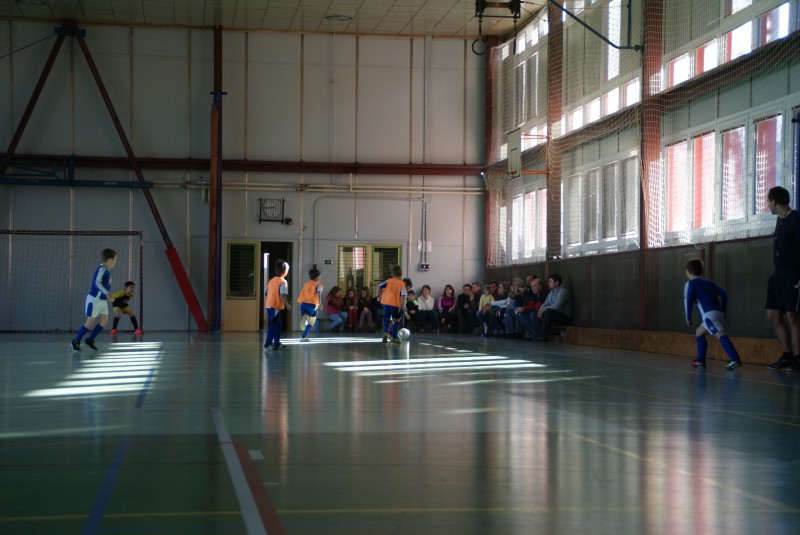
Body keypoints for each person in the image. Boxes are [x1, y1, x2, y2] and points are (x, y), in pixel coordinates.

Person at [764, 186, 800, 371]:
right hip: (778, 275)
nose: (767, 205)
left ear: (775, 201)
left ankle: (798, 358)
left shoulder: (796, 219)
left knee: (792, 316)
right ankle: (787, 356)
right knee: (773, 314)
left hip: (793, 274)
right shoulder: (780, 220)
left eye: (768, 201)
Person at [684, 259, 742, 370]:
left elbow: (689, 301)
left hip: (709, 316)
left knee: (720, 334)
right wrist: (724, 310)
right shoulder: (708, 282)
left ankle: (735, 359)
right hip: (718, 312)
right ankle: (700, 361)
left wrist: (688, 318)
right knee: (699, 332)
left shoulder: (692, 283)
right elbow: (723, 293)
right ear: (702, 271)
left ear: (689, 272)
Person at [71, 248, 117, 351]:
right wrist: (107, 293)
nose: (115, 262)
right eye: (115, 260)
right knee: (90, 322)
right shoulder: (101, 269)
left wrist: (108, 296)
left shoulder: (107, 270)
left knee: (104, 321)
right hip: (94, 300)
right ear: (110, 260)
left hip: (102, 300)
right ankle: (76, 340)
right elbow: (97, 282)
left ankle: (90, 339)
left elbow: (105, 286)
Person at [534, 273, 573, 342]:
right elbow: (545, 303)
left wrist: (543, 310)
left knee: (548, 312)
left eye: (550, 281)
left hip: (565, 317)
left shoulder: (563, 291)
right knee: (535, 313)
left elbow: (556, 306)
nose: (548, 283)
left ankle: (543, 336)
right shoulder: (551, 292)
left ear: (557, 283)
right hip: (554, 315)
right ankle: (538, 335)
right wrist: (540, 310)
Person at [264, 259, 291, 351]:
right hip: (275, 306)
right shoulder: (283, 282)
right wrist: (287, 305)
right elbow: (282, 294)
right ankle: (268, 344)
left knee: (278, 324)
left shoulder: (271, 281)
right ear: (285, 271)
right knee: (274, 325)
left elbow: (266, 293)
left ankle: (276, 343)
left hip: (269, 305)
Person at [378, 265, 407, 343]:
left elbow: (379, 286)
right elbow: (403, 295)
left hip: (386, 304)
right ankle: (393, 337)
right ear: (401, 274)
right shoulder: (402, 284)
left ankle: (385, 333)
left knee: (386, 319)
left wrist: (379, 295)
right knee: (397, 320)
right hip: (395, 305)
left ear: (392, 274)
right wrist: (402, 305)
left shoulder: (388, 281)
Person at [297, 267, 323, 342]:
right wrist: (320, 303)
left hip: (303, 304)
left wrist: (301, 302)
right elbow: (318, 293)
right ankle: (303, 337)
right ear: (317, 277)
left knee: (306, 317)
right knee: (311, 322)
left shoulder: (306, 284)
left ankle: (304, 318)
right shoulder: (318, 285)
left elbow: (302, 293)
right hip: (313, 305)